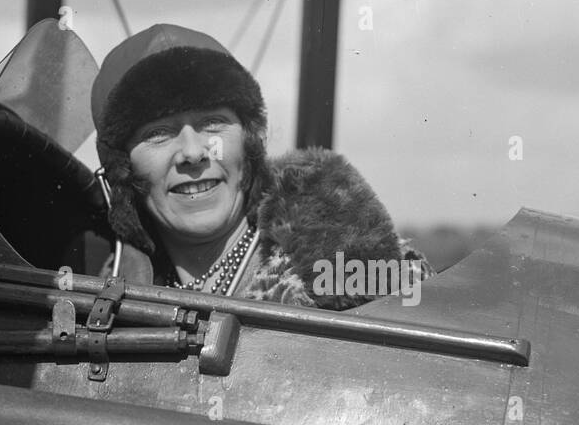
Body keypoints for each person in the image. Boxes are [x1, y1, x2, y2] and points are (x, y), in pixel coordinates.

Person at [91, 24, 431, 309]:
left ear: (249, 143)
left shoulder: (367, 277)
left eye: (212, 123)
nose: (193, 153)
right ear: (122, 171)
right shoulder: (101, 299)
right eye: (159, 133)